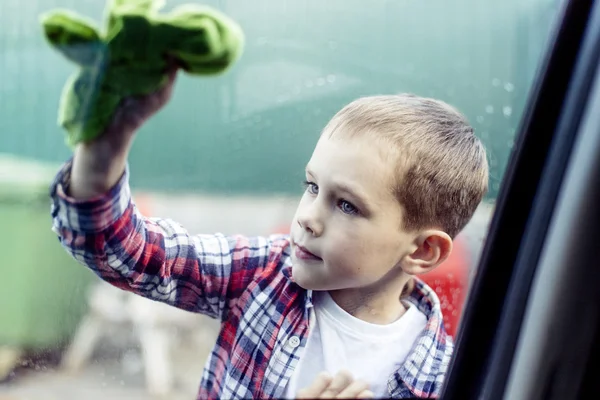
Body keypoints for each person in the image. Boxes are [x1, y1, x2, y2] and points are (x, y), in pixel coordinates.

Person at [49, 66, 488, 399]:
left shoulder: (440, 376)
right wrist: (104, 152)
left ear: (423, 250)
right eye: (312, 187)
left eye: (347, 205)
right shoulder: (264, 277)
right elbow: (131, 253)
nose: (308, 218)